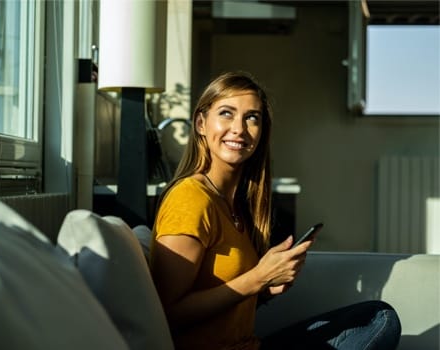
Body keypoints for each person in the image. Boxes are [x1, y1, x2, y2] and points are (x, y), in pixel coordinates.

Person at [149, 71, 401, 350]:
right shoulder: (191, 198)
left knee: (376, 316)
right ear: (200, 123)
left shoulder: (234, 205)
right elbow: (166, 314)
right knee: (381, 321)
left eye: (251, 118)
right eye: (226, 113)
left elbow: (221, 305)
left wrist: (265, 291)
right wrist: (257, 278)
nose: (239, 129)